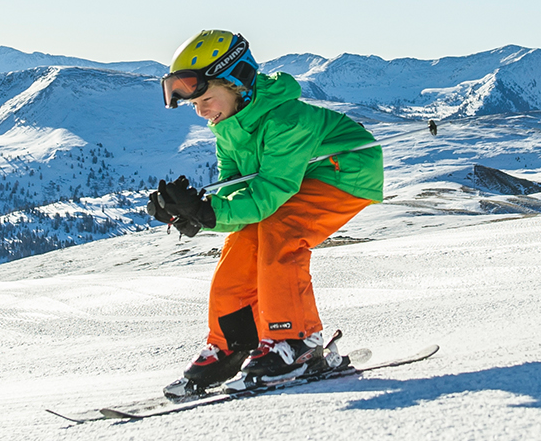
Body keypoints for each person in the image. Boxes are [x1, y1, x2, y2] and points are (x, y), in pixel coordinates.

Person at [147, 29, 384, 399]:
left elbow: (270, 193)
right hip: (298, 178)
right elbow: (238, 195)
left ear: (236, 82)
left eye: (205, 99)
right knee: (241, 242)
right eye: (195, 105)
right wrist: (197, 213)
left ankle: (298, 342)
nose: (201, 111)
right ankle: (235, 343)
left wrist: (208, 213)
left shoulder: (286, 119)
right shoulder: (228, 126)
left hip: (344, 171)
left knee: (281, 231)